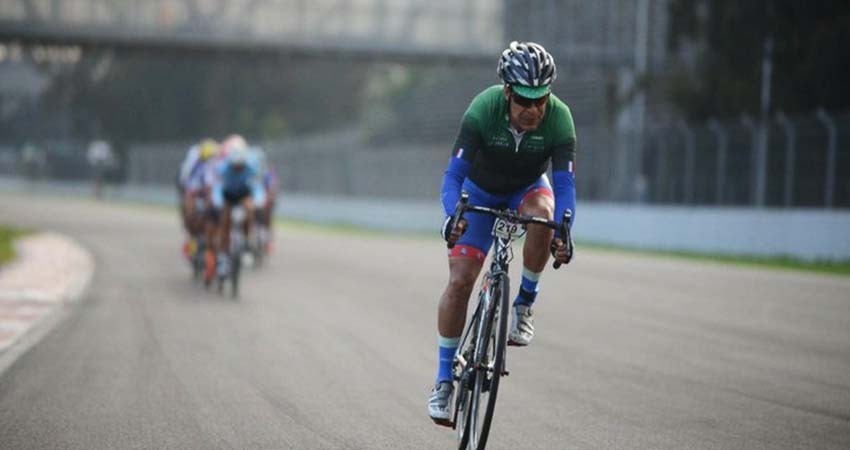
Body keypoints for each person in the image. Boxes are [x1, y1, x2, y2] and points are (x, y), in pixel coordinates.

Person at [427, 41, 577, 425]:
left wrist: (565, 230)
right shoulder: (482, 109)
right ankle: (444, 381)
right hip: (478, 191)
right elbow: (453, 176)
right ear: (507, 92)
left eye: (540, 99)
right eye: (524, 100)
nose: (533, 110)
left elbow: (564, 189)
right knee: (459, 282)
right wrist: (451, 216)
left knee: (544, 216)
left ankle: (524, 302)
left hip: (527, 189)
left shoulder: (559, 119)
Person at [210, 144, 265, 277]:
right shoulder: (223, 169)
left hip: (243, 195)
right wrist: (217, 201)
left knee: (249, 209)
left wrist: (258, 201)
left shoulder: (251, 168)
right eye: (235, 166)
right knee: (225, 221)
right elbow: (217, 187)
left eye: (240, 166)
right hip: (227, 196)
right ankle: (223, 256)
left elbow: (257, 187)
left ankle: (246, 241)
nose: (238, 169)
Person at [178, 139, 219, 258]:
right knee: (189, 214)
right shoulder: (195, 166)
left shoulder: (218, 166)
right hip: (196, 194)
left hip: (209, 196)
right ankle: (191, 241)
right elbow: (187, 183)